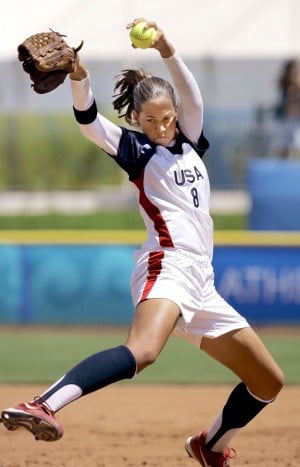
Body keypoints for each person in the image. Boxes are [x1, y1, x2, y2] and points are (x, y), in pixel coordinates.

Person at [1, 19, 284, 467]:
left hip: (201, 283)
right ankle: (43, 404)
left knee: (268, 381)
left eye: (167, 116)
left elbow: (191, 95)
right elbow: (90, 122)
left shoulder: (190, 139)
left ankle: (209, 445)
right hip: (165, 265)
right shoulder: (136, 150)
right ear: (135, 118)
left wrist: (167, 47)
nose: (161, 125)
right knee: (144, 351)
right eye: (150, 119)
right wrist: (78, 74)